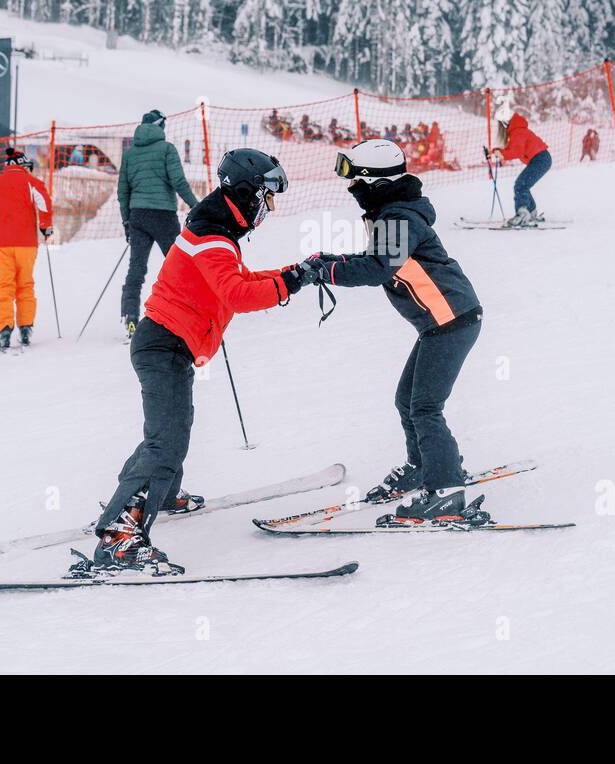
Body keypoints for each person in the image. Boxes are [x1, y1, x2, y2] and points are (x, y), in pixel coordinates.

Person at [85, 149, 306, 575]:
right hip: (163, 346)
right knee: (165, 440)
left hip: (170, 345)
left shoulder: (215, 230)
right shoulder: (212, 237)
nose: (268, 209)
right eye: (267, 198)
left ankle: (159, 493)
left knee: (173, 428)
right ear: (247, 193)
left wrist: (295, 271)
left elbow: (239, 281)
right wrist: (291, 283)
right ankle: (118, 537)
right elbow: (238, 295)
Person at [296, 139, 487, 526]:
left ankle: (446, 489)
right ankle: (423, 468)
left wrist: (325, 271)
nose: (350, 187)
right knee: (407, 400)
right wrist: (328, 261)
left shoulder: (399, 217)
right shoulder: (391, 213)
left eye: (354, 178)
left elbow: (378, 268)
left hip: (451, 321)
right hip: (439, 324)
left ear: (375, 181)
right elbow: (377, 259)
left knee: (425, 407)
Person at [116, 110, 199, 336]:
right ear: (160, 125)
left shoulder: (129, 154)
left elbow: (123, 192)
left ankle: (130, 317)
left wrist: (126, 222)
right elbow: (179, 182)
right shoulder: (166, 149)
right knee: (179, 265)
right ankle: (190, 311)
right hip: (163, 215)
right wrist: (197, 206)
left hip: (138, 216)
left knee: (136, 269)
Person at [0, 148, 54, 350]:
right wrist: (45, 227)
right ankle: (26, 328)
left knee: (5, 287)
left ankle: (4, 331)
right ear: (24, 165)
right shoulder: (32, 183)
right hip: (27, 244)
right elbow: (45, 205)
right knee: (25, 285)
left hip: (1, 244)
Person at [489, 105, 551, 227]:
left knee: (521, 184)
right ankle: (531, 212)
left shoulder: (518, 132)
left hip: (540, 159)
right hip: (541, 159)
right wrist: (495, 151)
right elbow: (510, 149)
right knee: (524, 184)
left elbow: (515, 151)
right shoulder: (517, 131)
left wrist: (500, 154)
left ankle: (523, 214)